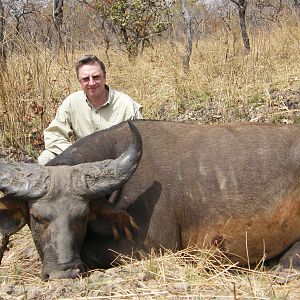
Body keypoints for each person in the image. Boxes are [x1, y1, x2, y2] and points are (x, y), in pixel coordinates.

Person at [38, 55, 143, 165]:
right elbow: (53, 135)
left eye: (96, 77)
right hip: (80, 162)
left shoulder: (127, 105)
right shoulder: (71, 102)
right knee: (46, 158)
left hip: (115, 162)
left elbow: (141, 142)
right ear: (80, 81)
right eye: (86, 79)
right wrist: (76, 154)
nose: (92, 83)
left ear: (104, 77)